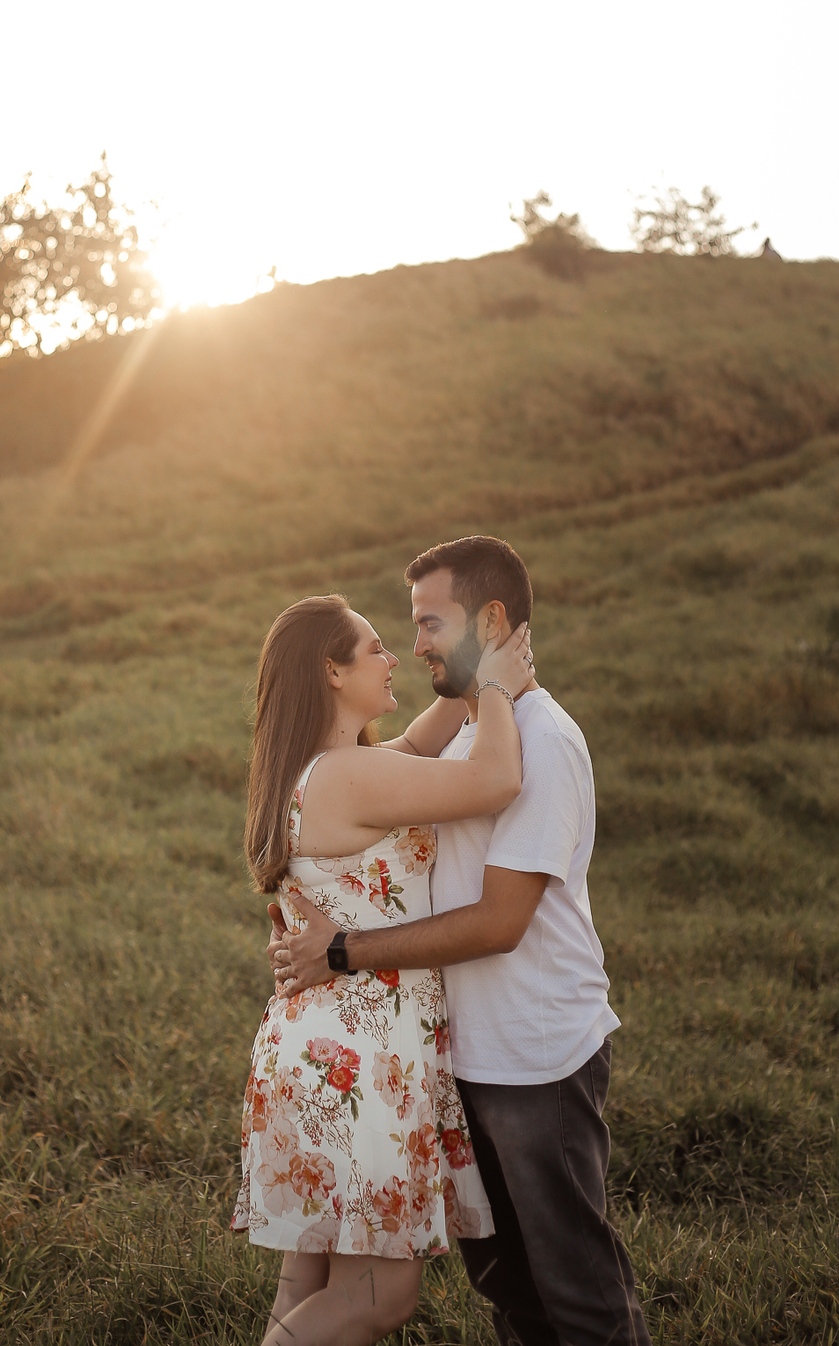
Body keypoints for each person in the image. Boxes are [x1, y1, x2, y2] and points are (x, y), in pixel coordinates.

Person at [271, 536, 651, 1346]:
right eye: (395, 635)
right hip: (439, 1057)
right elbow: (440, 748)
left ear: (491, 620)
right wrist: (487, 681)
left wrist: (341, 950)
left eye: (427, 624)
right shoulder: (460, 740)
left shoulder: (537, 740)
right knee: (511, 1292)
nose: (411, 648)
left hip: (531, 1054)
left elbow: (501, 922)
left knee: (576, 1294)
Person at [232, 591, 535, 1346]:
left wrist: (468, 663)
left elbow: (422, 739)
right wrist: (498, 684)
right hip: (358, 1063)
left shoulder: (324, 770)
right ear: (332, 672)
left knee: (308, 1284)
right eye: (375, 649)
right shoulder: (347, 776)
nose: (394, 657)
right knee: (379, 1297)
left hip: (318, 1047)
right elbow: (496, 780)